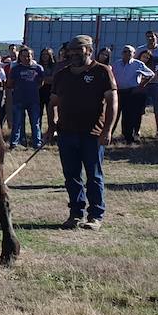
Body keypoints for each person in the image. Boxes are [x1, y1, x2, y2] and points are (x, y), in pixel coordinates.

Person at [46, 35, 117, 231]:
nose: (74, 54)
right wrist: (52, 127)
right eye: (71, 50)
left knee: (94, 176)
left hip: (92, 133)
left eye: (79, 50)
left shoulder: (102, 72)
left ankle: (95, 215)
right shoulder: (62, 74)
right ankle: (76, 213)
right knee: (71, 175)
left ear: (89, 50)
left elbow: (112, 102)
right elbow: (52, 103)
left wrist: (107, 130)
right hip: (66, 132)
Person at [111, 45, 154, 143]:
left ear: (134, 54)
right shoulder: (116, 64)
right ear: (122, 53)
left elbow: (151, 74)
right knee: (114, 114)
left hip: (131, 92)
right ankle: (109, 135)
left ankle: (128, 137)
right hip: (118, 92)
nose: (127, 53)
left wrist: (141, 85)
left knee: (128, 116)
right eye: (125, 51)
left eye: (129, 52)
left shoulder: (138, 64)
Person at [7, 47, 45, 150]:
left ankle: (37, 143)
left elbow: (41, 83)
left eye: (28, 55)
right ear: (20, 57)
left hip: (33, 100)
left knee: (35, 123)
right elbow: (10, 83)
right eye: (24, 56)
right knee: (17, 123)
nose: (26, 58)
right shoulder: (15, 69)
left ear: (32, 56)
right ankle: (15, 143)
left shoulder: (38, 68)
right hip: (18, 99)